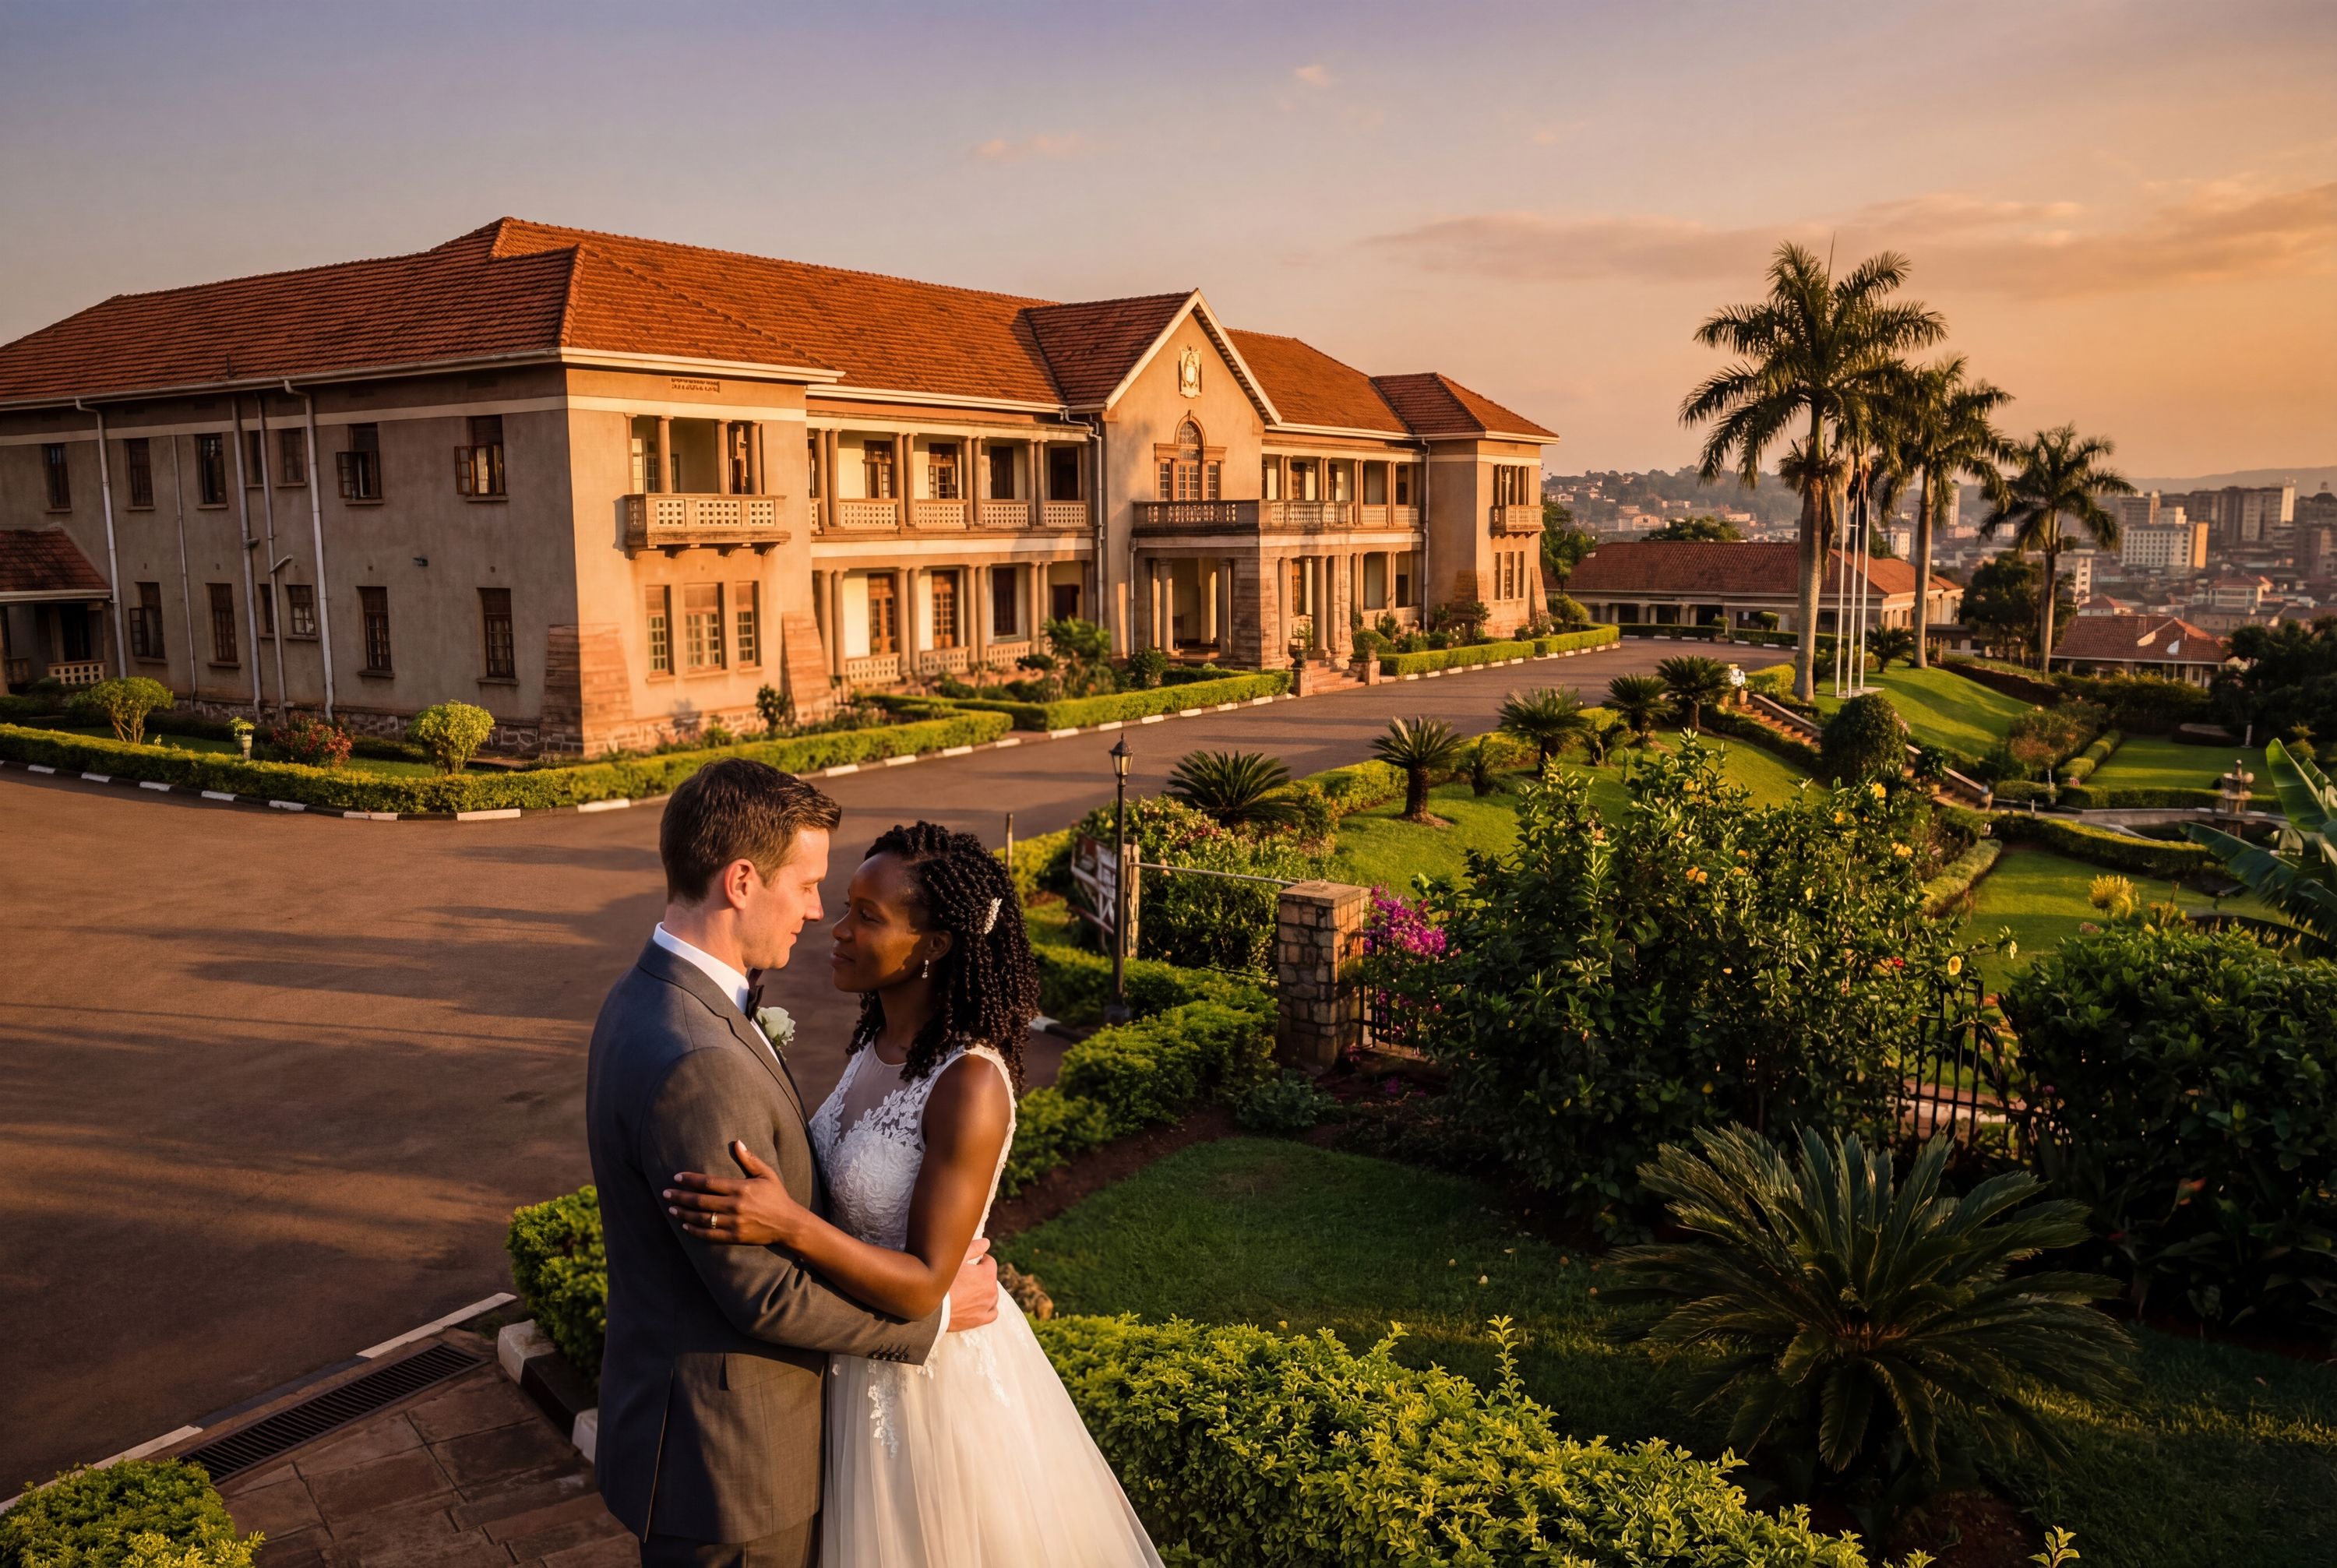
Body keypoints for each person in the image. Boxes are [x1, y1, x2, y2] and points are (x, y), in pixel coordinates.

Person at [665, 821, 1164, 1567]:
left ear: (931, 946)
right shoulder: (875, 1046)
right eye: (844, 905)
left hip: (931, 1393)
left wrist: (789, 1224)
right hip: (850, 1365)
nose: (836, 929)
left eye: (868, 916)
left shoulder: (969, 1084)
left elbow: (929, 1283)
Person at [586, 762, 1000, 1568]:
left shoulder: (644, 997)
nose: (819, 911)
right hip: (732, 1467)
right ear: (741, 881)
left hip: (712, 1440)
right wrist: (935, 1317)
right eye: (809, 885)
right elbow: (762, 1295)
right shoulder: (699, 1057)